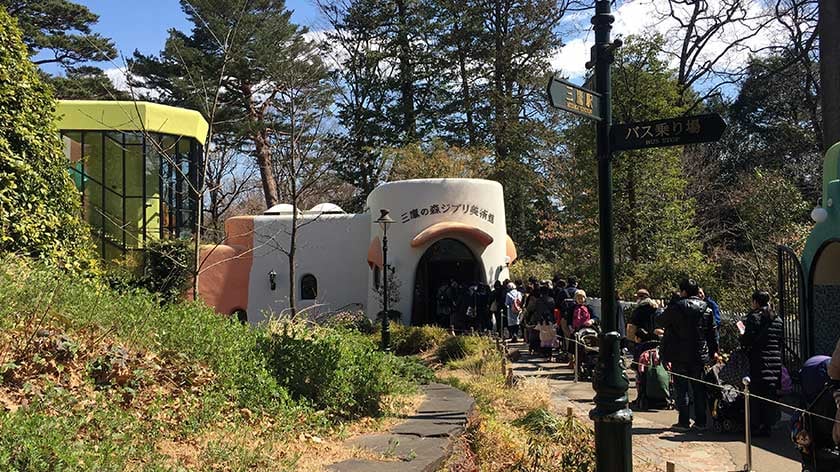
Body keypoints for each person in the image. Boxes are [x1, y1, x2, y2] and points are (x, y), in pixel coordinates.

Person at [657, 278, 718, 432]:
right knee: (698, 389)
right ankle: (701, 422)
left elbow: (660, 320)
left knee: (681, 389)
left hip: (679, 354)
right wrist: (713, 352)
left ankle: (683, 422)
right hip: (699, 354)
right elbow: (712, 333)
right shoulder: (707, 309)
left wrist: (667, 305)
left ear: (683, 291)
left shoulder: (676, 307)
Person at [739, 290, 783, 436]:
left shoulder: (753, 318)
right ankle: (768, 426)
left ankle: (755, 425)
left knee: (756, 394)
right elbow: (780, 341)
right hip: (775, 361)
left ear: (756, 302)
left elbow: (748, 340)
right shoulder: (778, 319)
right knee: (770, 394)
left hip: (758, 361)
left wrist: (742, 335)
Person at [627, 289, 660, 360]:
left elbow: (632, 328)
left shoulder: (638, 310)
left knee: (640, 364)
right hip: (656, 342)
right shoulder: (657, 309)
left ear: (641, 298)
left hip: (642, 342)